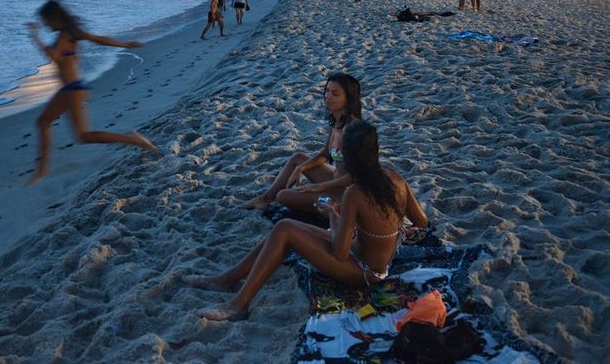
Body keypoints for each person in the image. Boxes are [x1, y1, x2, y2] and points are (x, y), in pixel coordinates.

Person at [183, 120, 429, 321]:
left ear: (349, 157)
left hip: (365, 271)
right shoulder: (395, 178)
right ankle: (228, 279)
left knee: (284, 228)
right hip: (368, 252)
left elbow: (340, 253)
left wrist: (332, 214)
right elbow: (421, 221)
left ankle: (238, 304)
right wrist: (387, 230)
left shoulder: (354, 193)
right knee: (284, 230)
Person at [27, 0, 156, 184]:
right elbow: (98, 39)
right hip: (72, 88)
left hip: (72, 90)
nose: (45, 24)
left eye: (46, 20)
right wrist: (125, 44)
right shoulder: (70, 33)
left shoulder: (65, 37)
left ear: (54, 17)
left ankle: (134, 140)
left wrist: (35, 37)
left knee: (82, 135)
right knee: (48, 124)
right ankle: (43, 169)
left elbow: (55, 57)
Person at [242, 73, 361, 212]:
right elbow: (325, 154)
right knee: (298, 158)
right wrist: (301, 168)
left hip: (349, 192)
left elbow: (356, 177)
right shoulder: (337, 123)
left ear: (348, 99)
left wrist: (319, 186)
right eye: (327, 91)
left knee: (282, 196)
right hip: (335, 181)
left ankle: (334, 208)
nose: (328, 96)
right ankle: (265, 199)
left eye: (335, 94)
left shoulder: (353, 129)